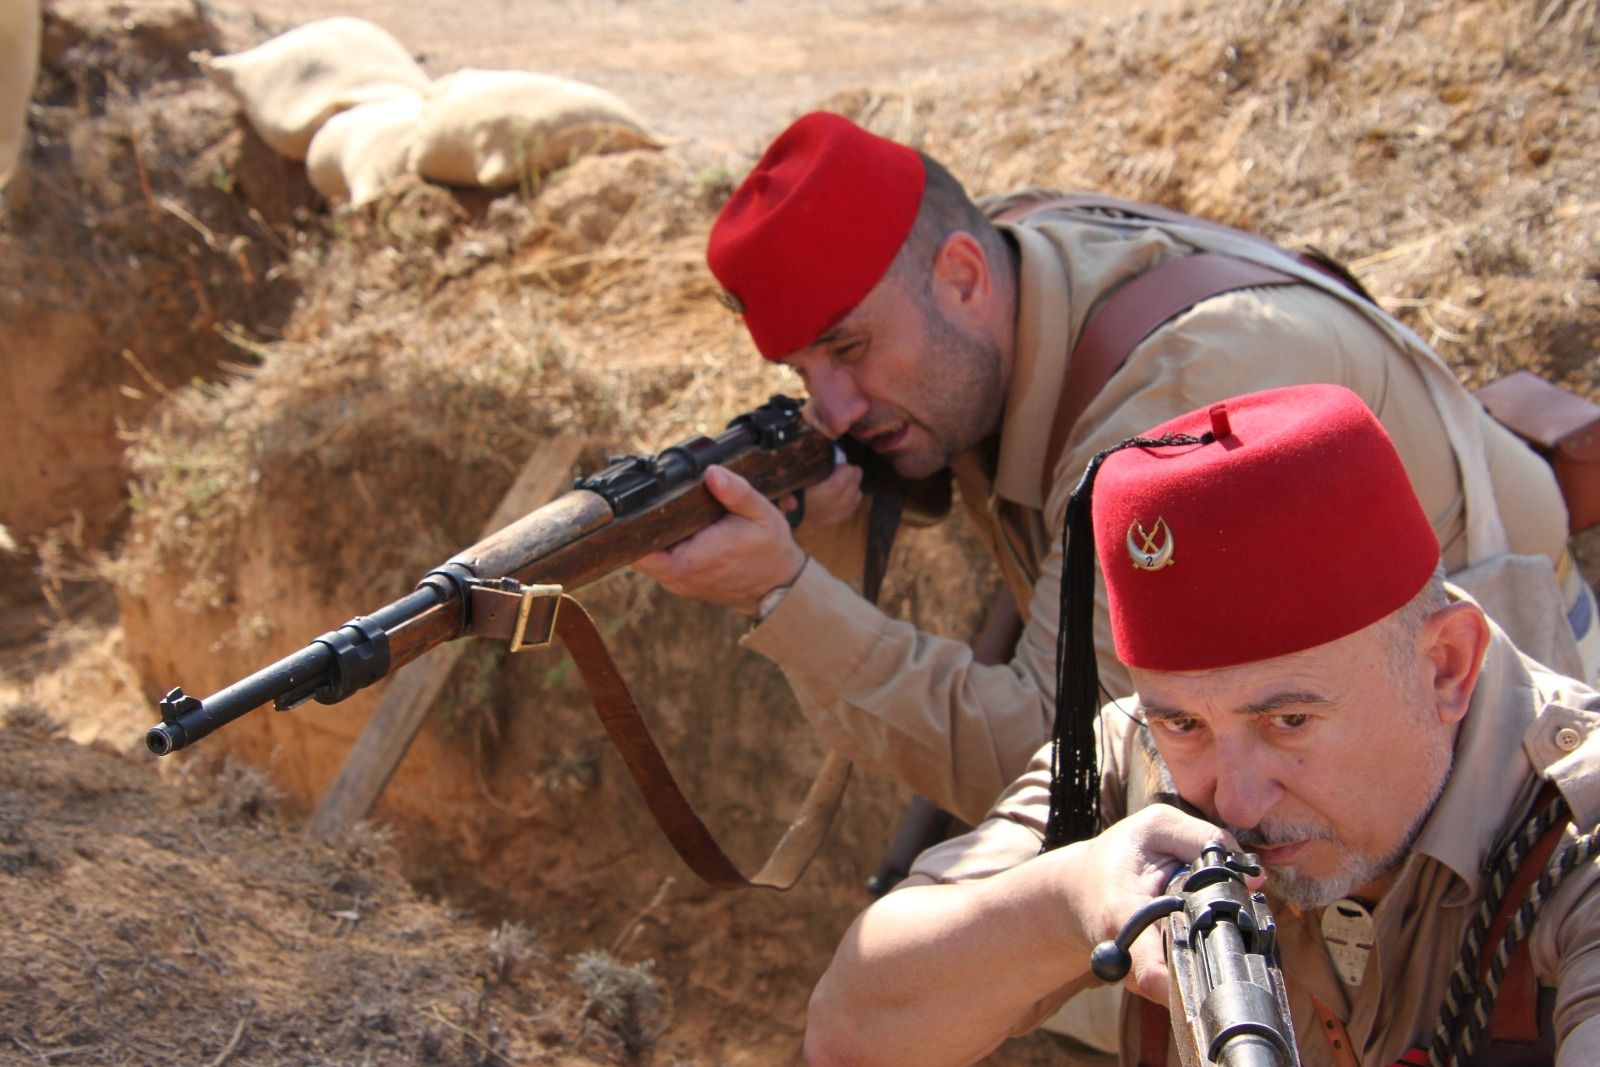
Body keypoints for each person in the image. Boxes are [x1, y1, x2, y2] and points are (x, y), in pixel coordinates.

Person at [633, 110, 1596, 832]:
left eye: (849, 349)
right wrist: (838, 513)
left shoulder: (1171, 409)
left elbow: (1060, 772)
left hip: (1510, 737)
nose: (832, 408)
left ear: (965, 277)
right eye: (806, 371)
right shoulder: (1020, 254)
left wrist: (786, 595)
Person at [802, 383, 1600, 1066]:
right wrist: (1073, 900)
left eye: (1289, 719)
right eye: (1182, 720)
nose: (1237, 800)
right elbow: (853, 1032)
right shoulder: (1141, 761)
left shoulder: (1577, 839)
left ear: (1444, 669)